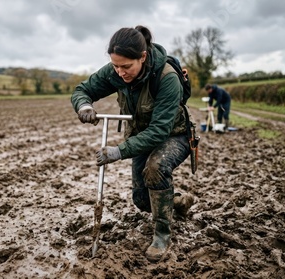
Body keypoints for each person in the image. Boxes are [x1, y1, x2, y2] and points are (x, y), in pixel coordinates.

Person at [71, 25, 194, 262]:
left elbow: (159, 131)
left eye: (126, 66)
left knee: (156, 168)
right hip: (141, 137)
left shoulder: (168, 77)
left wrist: (119, 151)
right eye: (116, 66)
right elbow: (82, 89)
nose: (120, 72)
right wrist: (84, 105)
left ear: (143, 57)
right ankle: (177, 200)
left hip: (173, 135)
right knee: (141, 200)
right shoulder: (115, 71)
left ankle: (162, 236)